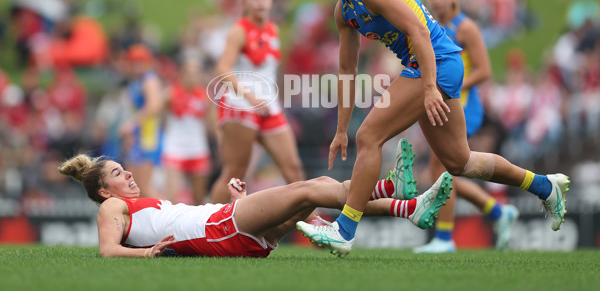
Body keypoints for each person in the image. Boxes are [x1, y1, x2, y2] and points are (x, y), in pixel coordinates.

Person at [296, 0, 569, 257]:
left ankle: (344, 230)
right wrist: (341, 130)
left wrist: (428, 88)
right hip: (433, 65)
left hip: (435, 63)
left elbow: (420, 31)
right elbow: (347, 73)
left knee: (369, 136)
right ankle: (545, 186)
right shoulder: (344, 12)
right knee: (459, 161)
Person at [56, 148, 453, 258]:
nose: (128, 175)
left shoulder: (131, 204)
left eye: (125, 169)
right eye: (118, 175)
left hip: (227, 225)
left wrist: (241, 202)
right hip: (222, 228)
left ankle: (410, 208)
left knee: (315, 192)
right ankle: (391, 188)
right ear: (104, 192)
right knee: (310, 188)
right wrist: (147, 256)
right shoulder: (111, 208)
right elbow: (108, 251)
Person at [414, 0, 518, 253]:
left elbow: (484, 70)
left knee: (441, 168)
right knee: (448, 169)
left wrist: (453, 85)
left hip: (465, 105)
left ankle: (445, 239)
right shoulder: (429, 28)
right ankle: (497, 212)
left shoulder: (465, 27)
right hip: (442, 105)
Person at [209, 0, 305, 203]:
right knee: (235, 172)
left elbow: (270, 72)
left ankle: (312, 227)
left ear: (271, 1)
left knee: (293, 169)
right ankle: (206, 226)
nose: (260, 1)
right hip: (241, 105)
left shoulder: (273, 29)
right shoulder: (239, 31)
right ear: (245, 2)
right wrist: (250, 97)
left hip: (269, 107)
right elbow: (222, 68)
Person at [162, 57, 215, 205]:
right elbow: (160, 117)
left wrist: (222, 142)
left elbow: (212, 123)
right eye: (190, 73)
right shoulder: (170, 93)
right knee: (171, 198)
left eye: (196, 73)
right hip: (175, 148)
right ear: (182, 74)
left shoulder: (205, 96)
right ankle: (170, 228)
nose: (193, 77)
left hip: (197, 148)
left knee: (199, 199)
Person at [119, 44, 163, 198]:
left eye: (140, 62)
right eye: (134, 62)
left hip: (147, 136)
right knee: (134, 187)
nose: (137, 66)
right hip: (138, 137)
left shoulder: (149, 79)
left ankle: (172, 217)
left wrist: (131, 124)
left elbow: (154, 105)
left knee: (143, 187)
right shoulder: (136, 81)